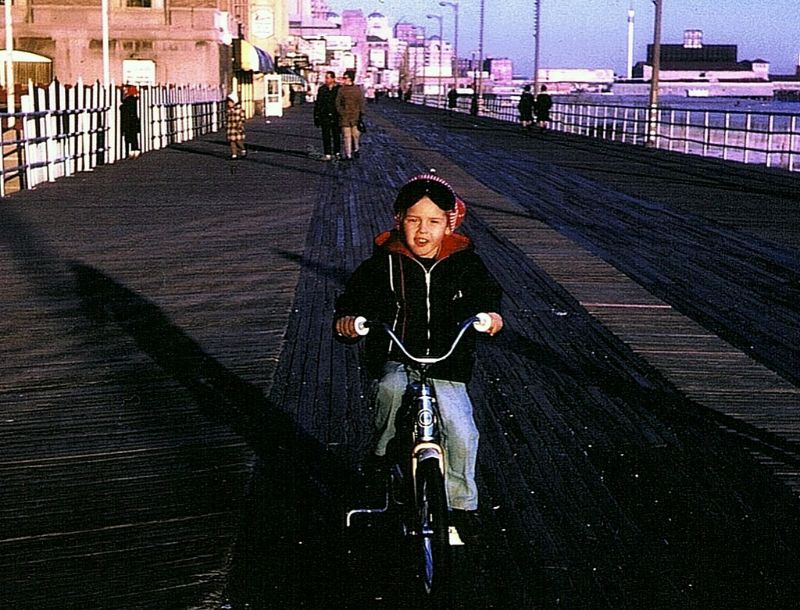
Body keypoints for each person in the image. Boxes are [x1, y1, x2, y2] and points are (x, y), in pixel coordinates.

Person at [334, 174, 504, 522]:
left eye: (434, 222)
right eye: (413, 220)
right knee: (389, 389)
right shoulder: (384, 261)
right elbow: (355, 297)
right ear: (399, 220)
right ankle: (382, 456)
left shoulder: (465, 262)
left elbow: (486, 294)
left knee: (461, 428)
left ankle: (461, 504)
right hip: (398, 354)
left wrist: (489, 316)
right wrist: (349, 320)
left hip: (447, 361)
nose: (422, 230)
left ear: (449, 225)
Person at [335, 70, 365, 160]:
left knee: (355, 135)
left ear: (350, 79)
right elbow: (337, 102)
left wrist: (361, 113)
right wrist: (341, 112)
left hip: (355, 116)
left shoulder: (357, 90)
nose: (343, 80)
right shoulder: (341, 90)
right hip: (345, 116)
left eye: (345, 78)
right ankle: (348, 154)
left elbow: (361, 102)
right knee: (346, 135)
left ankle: (356, 149)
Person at [313, 70, 341, 161]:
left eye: (328, 78)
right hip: (324, 115)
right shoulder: (322, 89)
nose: (326, 80)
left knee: (336, 135)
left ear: (333, 78)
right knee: (326, 135)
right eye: (326, 78)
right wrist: (316, 115)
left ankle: (337, 152)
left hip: (336, 115)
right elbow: (318, 103)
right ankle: (327, 153)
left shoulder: (339, 89)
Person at [119, 85, 141, 159]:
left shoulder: (128, 101)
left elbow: (124, 109)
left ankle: (128, 152)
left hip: (128, 121)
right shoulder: (135, 100)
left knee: (128, 137)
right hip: (134, 120)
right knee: (134, 137)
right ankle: (135, 151)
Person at [226, 92, 246, 160]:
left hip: (237, 128)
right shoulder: (229, 110)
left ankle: (243, 149)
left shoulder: (239, 110)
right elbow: (227, 118)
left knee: (238, 141)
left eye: (230, 102)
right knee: (232, 141)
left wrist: (240, 125)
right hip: (230, 128)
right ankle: (234, 154)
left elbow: (242, 118)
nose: (228, 104)